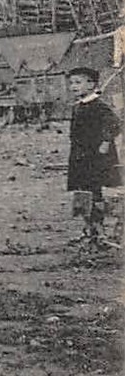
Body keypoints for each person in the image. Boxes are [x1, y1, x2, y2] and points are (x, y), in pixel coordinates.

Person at [66, 66, 121, 245]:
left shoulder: (98, 106)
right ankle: (89, 230)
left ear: (91, 84)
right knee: (82, 193)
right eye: (71, 83)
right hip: (80, 158)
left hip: (95, 159)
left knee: (94, 193)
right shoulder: (78, 107)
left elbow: (114, 124)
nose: (73, 86)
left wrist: (105, 143)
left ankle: (99, 232)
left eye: (78, 82)